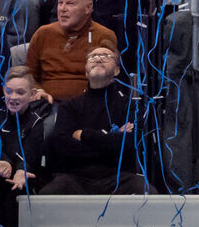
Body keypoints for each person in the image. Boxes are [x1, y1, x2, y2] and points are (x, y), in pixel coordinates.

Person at [43, 46, 146, 195]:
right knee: (49, 193)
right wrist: (111, 138)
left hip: (119, 178)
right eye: (92, 57)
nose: (98, 58)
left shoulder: (130, 106)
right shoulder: (69, 107)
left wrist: (84, 135)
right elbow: (62, 146)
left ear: (117, 70)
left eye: (106, 56)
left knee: (144, 191)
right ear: (86, 71)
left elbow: (128, 144)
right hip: (75, 178)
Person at [0, 67, 51, 227]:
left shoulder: (36, 122)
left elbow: (30, 153)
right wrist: (3, 161)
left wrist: (21, 170)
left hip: (25, 177)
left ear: (32, 94)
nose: (13, 97)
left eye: (20, 92)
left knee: (14, 194)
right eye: (9, 91)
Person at [24, 0, 117, 101]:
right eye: (60, 3)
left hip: (86, 103)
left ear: (88, 8)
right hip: (47, 103)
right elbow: (29, 75)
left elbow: (107, 78)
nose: (63, 9)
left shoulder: (104, 35)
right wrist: (38, 91)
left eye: (70, 4)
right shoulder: (43, 33)